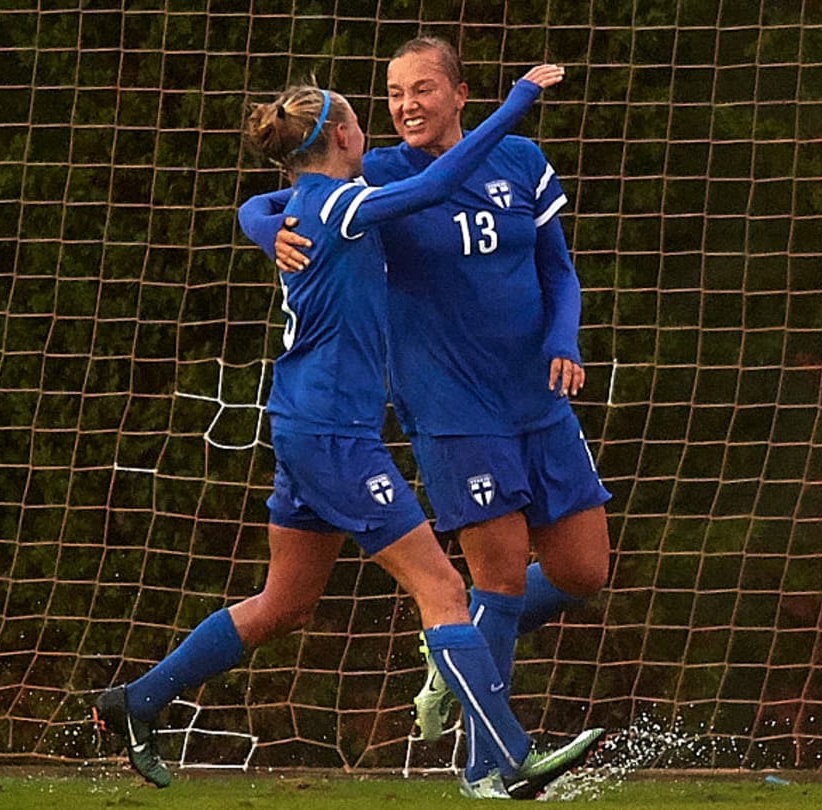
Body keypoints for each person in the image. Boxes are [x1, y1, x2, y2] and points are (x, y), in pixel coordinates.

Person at [95, 66, 601, 799]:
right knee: (443, 590)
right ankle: (502, 758)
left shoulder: (326, 200)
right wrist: (518, 103)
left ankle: (136, 701)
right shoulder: (344, 205)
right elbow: (429, 188)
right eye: (374, 110)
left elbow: (304, 200)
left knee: (285, 602)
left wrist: (263, 223)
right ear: (342, 135)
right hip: (336, 434)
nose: (389, 115)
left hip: (308, 423)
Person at [238, 35, 613, 792]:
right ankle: (487, 767)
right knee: (500, 576)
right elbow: (275, 198)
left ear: (460, 94)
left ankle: (458, 650)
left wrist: (563, 337)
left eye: (423, 89)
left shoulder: (522, 161)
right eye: (395, 93)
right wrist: (255, 225)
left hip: (535, 399)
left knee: (581, 569)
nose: (407, 105)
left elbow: (558, 270)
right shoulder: (372, 173)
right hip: (450, 406)